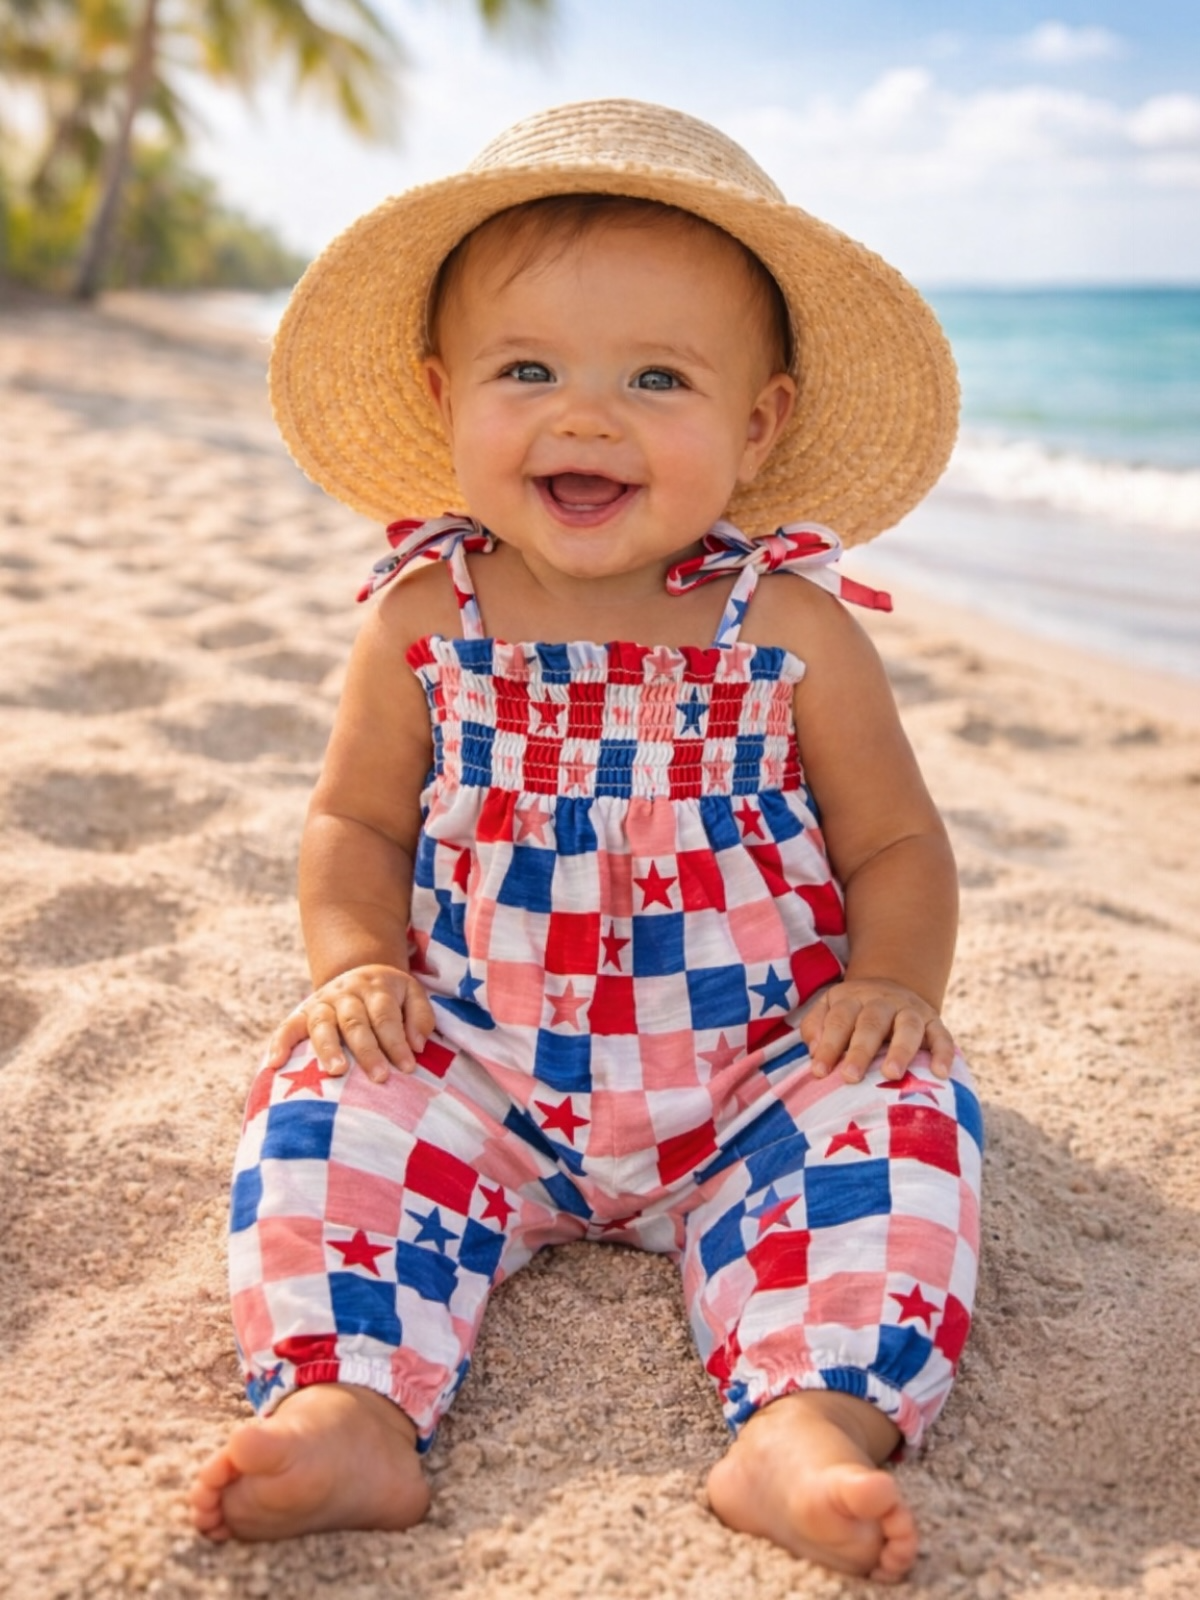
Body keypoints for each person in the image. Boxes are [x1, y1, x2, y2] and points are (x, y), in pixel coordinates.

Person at [189, 99, 982, 1583]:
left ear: (760, 426)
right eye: (529, 369)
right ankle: (350, 1407)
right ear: (444, 399)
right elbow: (353, 818)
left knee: (897, 1136)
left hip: (751, 1072)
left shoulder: (789, 630)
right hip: (480, 1063)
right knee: (325, 1110)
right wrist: (358, 961)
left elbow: (898, 844)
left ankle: (802, 1425)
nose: (586, 414)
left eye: (658, 378)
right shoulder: (431, 618)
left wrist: (890, 984)